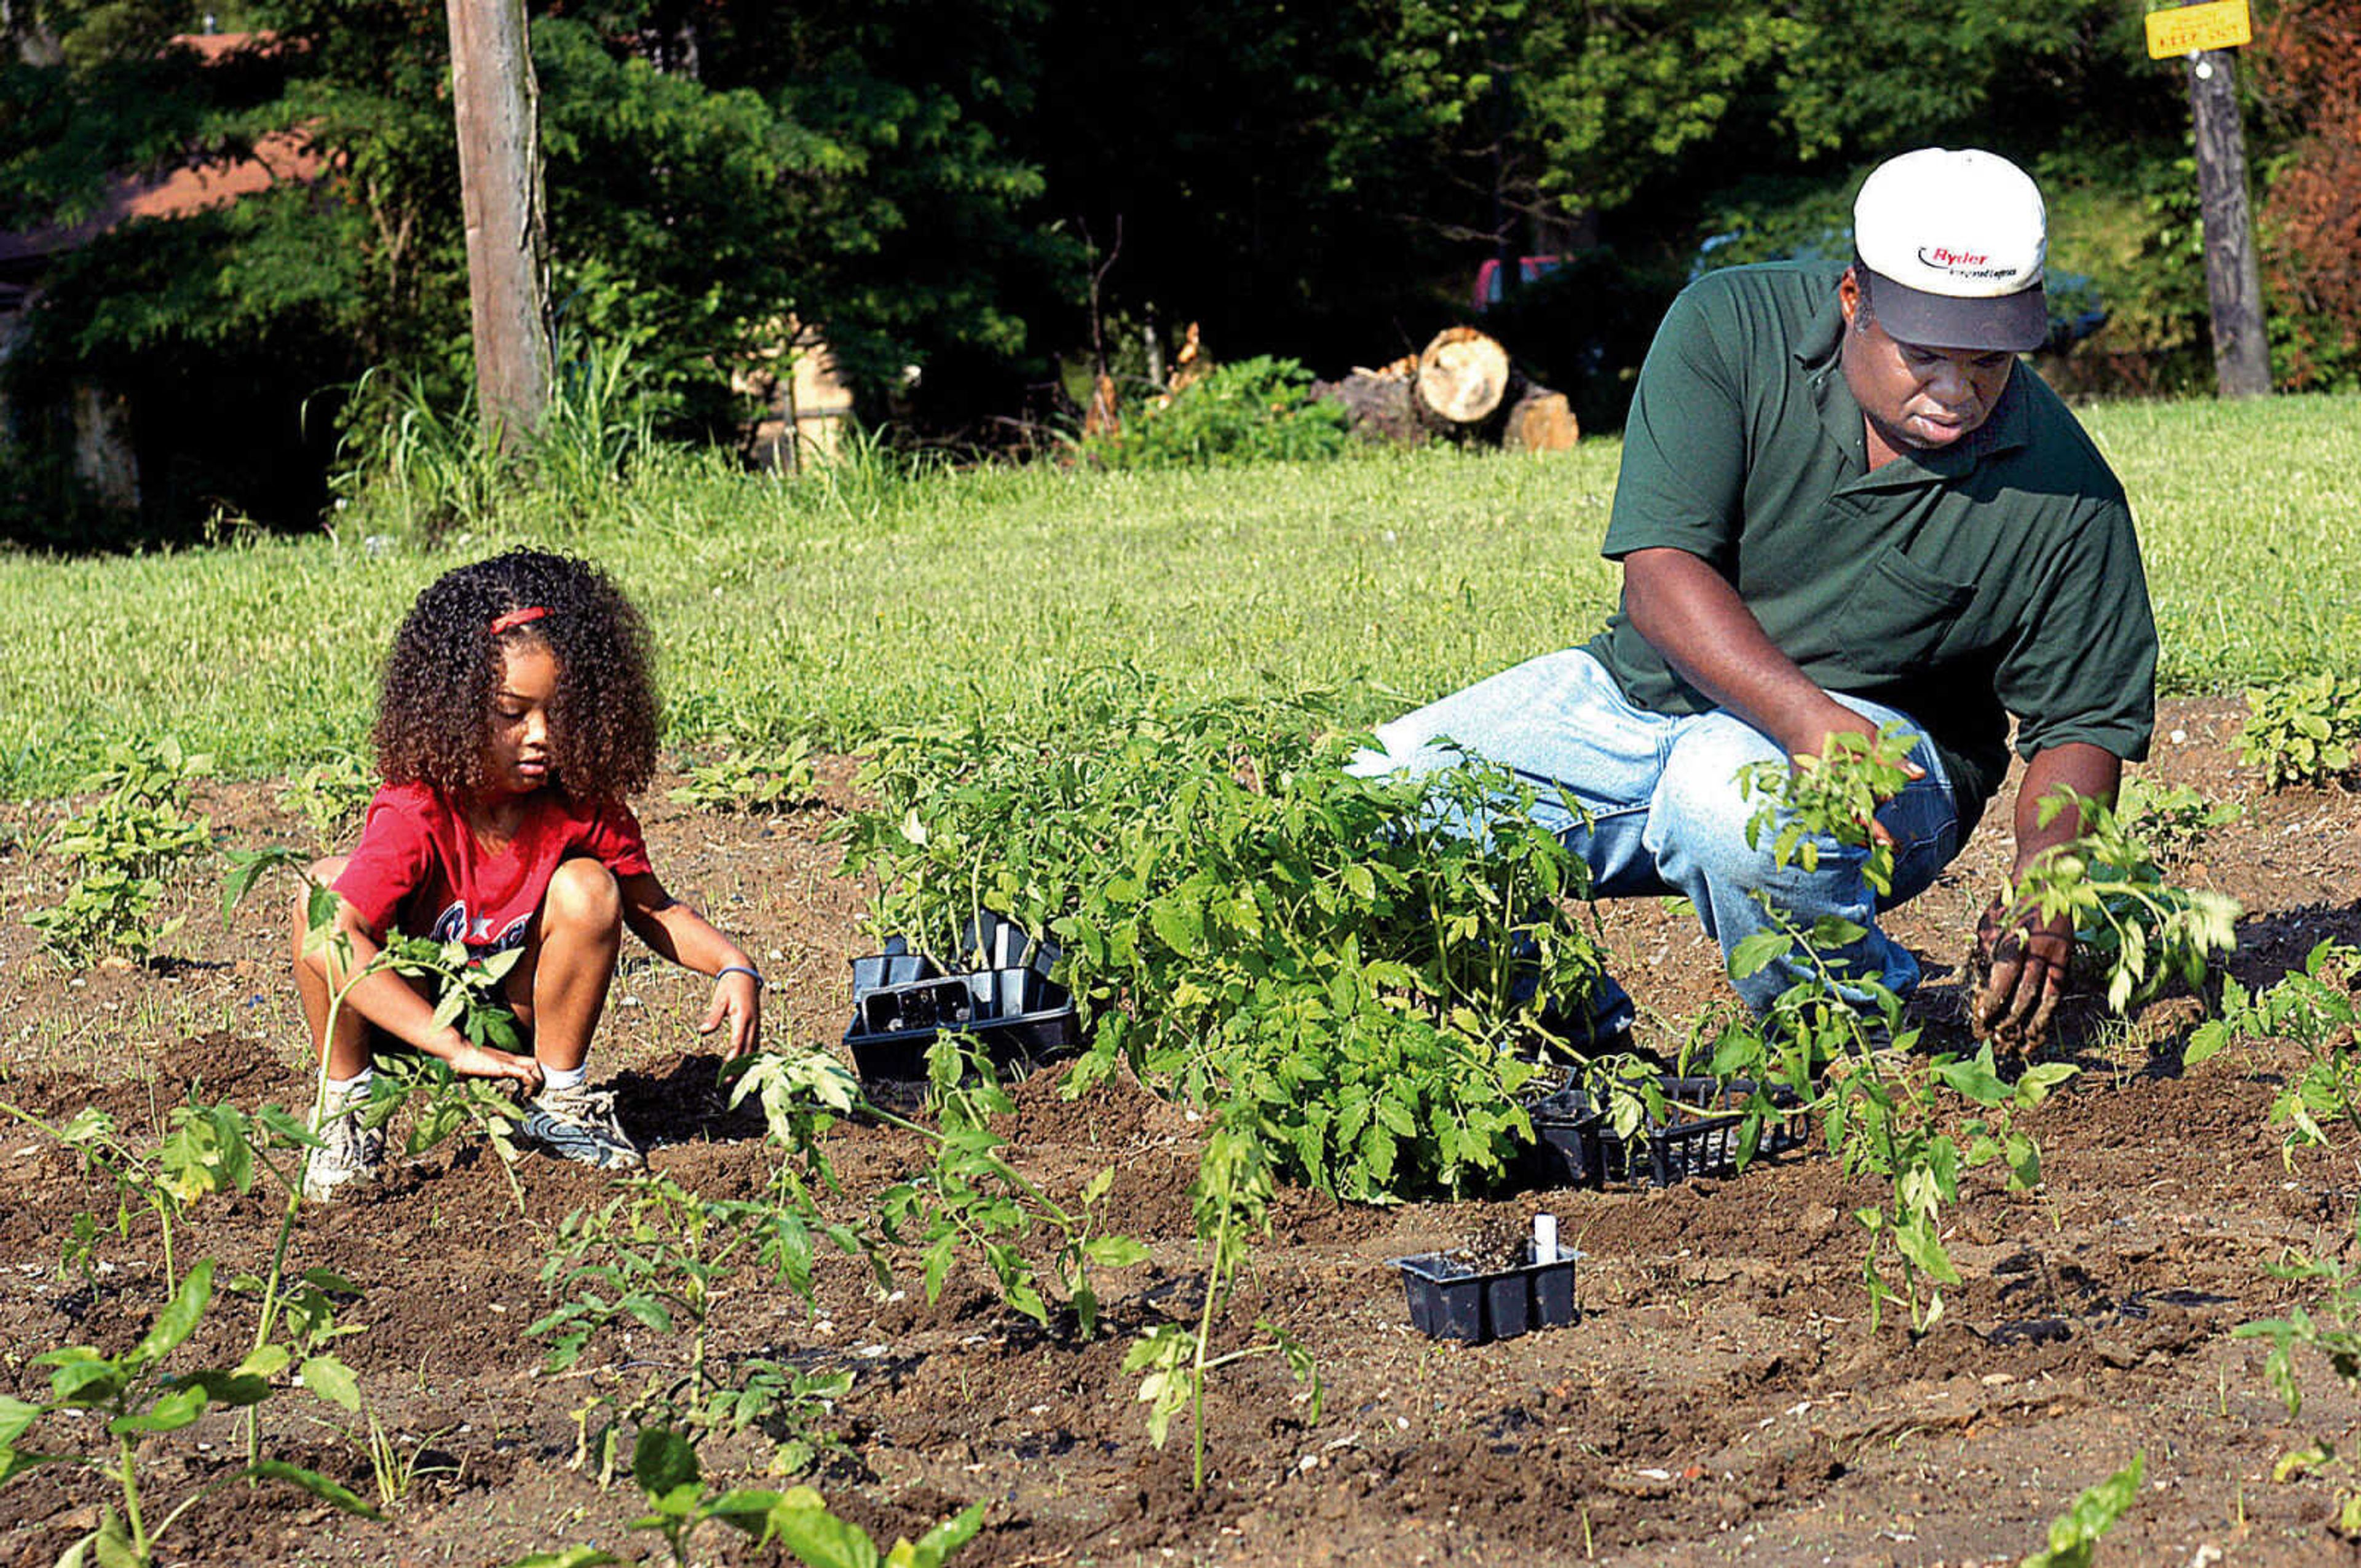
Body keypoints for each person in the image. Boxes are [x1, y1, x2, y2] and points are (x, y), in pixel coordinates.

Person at [1354, 148, 2156, 1049]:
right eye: (1924, 353)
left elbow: (2082, 721)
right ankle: (1571, 1037)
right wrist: (1799, 713)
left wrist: (2048, 878)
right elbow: (1660, 577)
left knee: (1722, 798)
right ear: (1854, 299)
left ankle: (1862, 1046)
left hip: (1887, 758)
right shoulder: (1728, 327)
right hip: (1644, 694)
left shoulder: (2066, 488)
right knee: (1373, 797)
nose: (1955, 390)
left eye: (1988, 363)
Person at [292, 548, 765, 1200]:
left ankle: (560, 1104)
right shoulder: (418, 808)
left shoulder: (581, 805)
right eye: (514, 714)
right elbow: (331, 937)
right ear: (454, 707)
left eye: (557, 713)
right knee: (322, 894)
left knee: (589, 887)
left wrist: (732, 965)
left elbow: (652, 910)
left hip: (513, 1029)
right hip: (407, 1025)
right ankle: (345, 1110)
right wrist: (451, 1046)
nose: (541, 735)